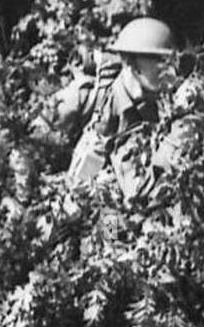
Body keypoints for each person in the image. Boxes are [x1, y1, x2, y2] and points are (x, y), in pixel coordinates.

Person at [66, 17, 178, 198]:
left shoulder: (161, 102)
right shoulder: (96, 106)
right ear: (129, 62)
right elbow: (79, 197)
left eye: (168, 60)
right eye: (157, 60)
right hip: (93, 208)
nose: (167, 68)